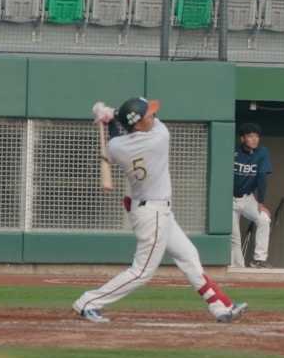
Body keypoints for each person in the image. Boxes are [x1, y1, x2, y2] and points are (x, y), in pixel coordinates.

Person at [75, 97, 246, 324]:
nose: (153, 116)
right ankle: (89, 302)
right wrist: (112, 115)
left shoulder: (115, 149)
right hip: (152, 214)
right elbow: (123, 130)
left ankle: (221, 305)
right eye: (148, 115)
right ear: (137, 124)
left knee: (188, 255)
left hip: (153, 211)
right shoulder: (158, 138)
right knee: (142, 271)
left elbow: (115, 139)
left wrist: (110, 119)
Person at [229, 122, 273, 270]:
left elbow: (262, 177)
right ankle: (239, 267)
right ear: (242, 138)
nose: (254, 139)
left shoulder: (262, 152)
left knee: (264, 219)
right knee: (235, 237)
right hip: (229, 199)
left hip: (248, 198)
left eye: (256, 136)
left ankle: (259, 259)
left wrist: (261, 203)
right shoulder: (233, 150)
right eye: (250, 136)